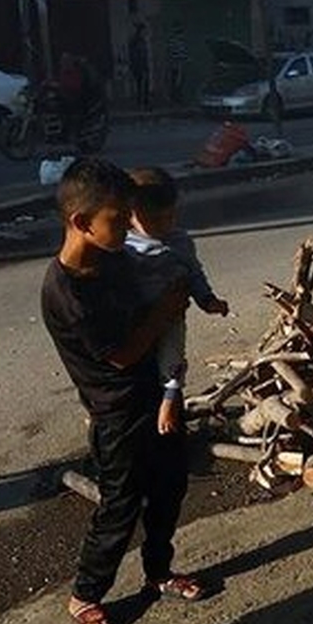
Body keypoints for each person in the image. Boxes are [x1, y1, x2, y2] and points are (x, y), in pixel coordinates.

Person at [40, 158, 204, 624]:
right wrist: (166, 310)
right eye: (118, 218)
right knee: (119, 507)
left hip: (154, 395)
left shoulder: (112, 255)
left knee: (171, 487)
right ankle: (85, 595)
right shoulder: (67, 292)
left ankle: (158, 570)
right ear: (80, 222)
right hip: (116, 414)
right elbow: (122, 354)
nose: (129, 225)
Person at [125, 167, 230, 434]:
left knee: (172, 354)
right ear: (131, 215)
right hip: (133, 321)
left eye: (170, 216)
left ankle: (170, 401)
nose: (165, 225)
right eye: (155, 219)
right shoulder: (122, 245)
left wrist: (207, 300)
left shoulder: (179, 242)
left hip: (170, 316)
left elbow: (194, 273)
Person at [128, 23, 150, 109]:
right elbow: (136, 56)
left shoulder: (139, 40)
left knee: (142, 85)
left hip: (140, 66)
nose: (145, 32)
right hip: (139, 66)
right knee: (142, 85)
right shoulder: (137, 41)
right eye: (144, 30)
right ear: (140, 31)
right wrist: (142, 67)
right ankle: (143, 103)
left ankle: (143, 103)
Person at [166, 20, 189, 104]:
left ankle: (176, 99)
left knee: (177, 83)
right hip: (177, 64)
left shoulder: (175, 41)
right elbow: (175, 54)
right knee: (177, 83)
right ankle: (176, 99)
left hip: (176, 64)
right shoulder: (177, 41)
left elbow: (170, 53)